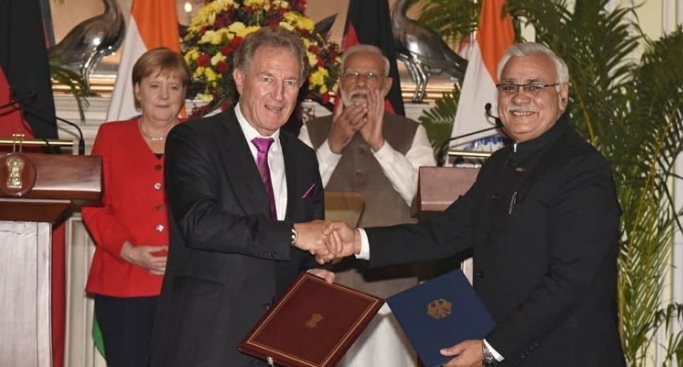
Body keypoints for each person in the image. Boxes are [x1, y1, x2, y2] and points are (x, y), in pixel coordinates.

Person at [323, 42, 626, 367]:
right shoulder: (499, 166)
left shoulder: (582, 169)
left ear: (562, 95)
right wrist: (358, 241)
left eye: (535, 86)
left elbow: (569, 282)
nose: (520, 97)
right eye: (509, 87)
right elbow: (442, 234)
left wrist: (491, 348)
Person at [149, 26, 334, 367]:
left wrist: (313, 275)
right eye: (267, 79)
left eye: (290, 83)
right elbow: (199, 223)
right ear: (239, 79)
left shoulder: (303, 158)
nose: (278, 95)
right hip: (208, 341)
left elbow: (308, 238)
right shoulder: (194, 139)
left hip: (282, 344)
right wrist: (293, 234)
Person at [299, 44, 435, 367]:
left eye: (371, 75)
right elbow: (297, 197)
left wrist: (380, 145)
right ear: (340, 83)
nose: (360, 83)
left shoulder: (412, 132)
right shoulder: (312, 131)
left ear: (387, 86)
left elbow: (423, 198)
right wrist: (332, 146)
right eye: (352, 74)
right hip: (326, 289)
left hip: (391, 294)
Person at [81, 47, 190, 367]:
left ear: (184, 93)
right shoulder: (111, 136)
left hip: (184, 286)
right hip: (122, 281)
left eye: (174, 86)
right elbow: (94, 207)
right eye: (155, 85)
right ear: (137, 90)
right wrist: (127, 250)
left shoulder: (200, 140)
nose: (164, 95)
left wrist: (184, 255)